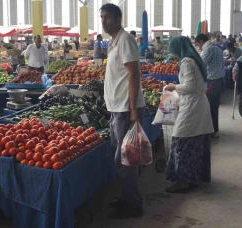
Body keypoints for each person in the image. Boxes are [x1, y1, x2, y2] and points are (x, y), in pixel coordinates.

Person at [100, 3, 146, 219]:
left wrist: (133, 110)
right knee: (120, 158)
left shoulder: (125, 39)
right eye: (102, 17)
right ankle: (126, 198)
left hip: (125, 109)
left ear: (118, 19)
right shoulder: (113, 42)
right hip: (116, 109)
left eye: (107, 17)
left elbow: (134, 74)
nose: (103, 21)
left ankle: (133, 205)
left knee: (126, 159)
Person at [164, 36, 214, 193]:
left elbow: (190, 85)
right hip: (198, 103)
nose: (173, 55)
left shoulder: (186, 61)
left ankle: (184, 180)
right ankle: (195, 176)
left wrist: (173, 86)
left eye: (173, 51)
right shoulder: (194, 58)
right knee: (195, 140)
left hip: (193, 105)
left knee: (181, 139)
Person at [195, 34, 225, 138]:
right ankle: (213, 130)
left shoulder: (208, 49)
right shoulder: (216, 47)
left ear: (201, 42)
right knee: (213, 106)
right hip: (219, 80)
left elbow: (200, 64)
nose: (199, 47)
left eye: (198, 45)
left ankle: (205, 131)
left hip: (213, 80)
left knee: (204, 104)